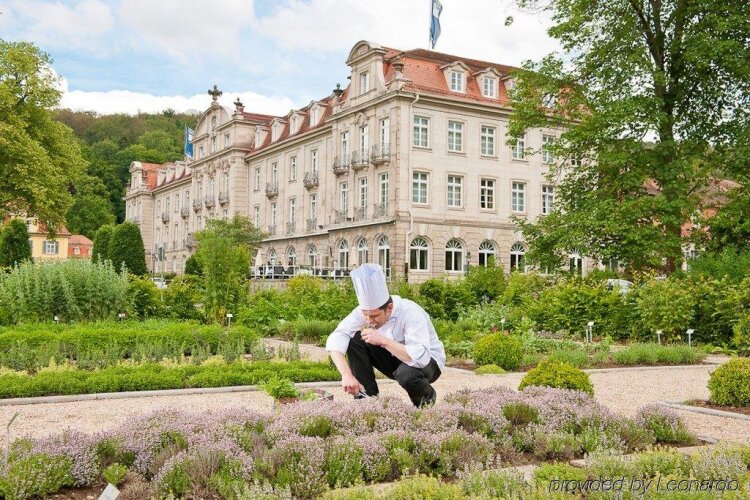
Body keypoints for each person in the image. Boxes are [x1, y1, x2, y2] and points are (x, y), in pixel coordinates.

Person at [326, 263, 445, 407]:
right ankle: (367, 402)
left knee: (406, 374)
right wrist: (346, 374)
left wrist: (383, 341)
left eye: (374, 316)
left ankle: (425, 403)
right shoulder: (365, 312)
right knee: (355, 340)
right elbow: (338, 336)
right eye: (365, 315)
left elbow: (420, 358)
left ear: (389, 308)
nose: (368, 320)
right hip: (396, 360)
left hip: (428, 362)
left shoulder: (410, 312)